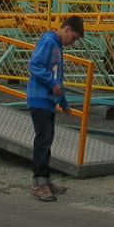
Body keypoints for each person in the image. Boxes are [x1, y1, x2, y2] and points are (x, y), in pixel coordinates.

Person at [25, 14, 84, 203]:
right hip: (40, 98)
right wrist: (51, 83)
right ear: (67, 29)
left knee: (47, 139)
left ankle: (44, 179)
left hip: (48, 100)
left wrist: (63, 102)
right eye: (73, 38)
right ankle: (38, 183)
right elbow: (35, 65)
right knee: (43, 140)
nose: (72, 42)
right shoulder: (49, 42)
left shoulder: (57, 46)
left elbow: (57, 77)